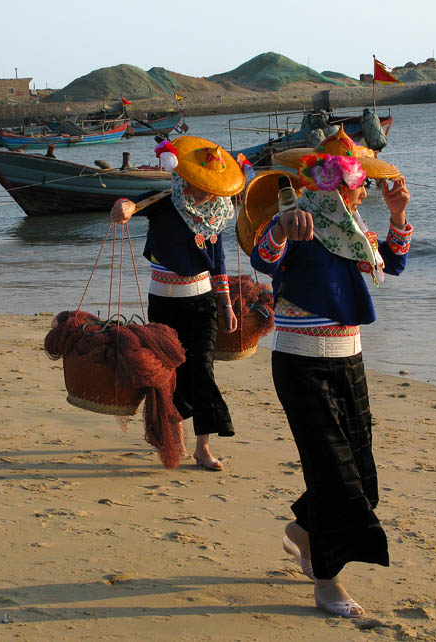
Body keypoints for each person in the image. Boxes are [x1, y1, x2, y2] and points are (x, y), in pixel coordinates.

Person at [249, 127, 412, 617]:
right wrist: (279, 228)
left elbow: (393, 266)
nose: (367, 191)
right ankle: (327, 581)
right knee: (333, 475)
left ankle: (301, 531)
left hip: (350, 359)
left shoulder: (355, 228)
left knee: (361, 474)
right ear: (342, 183)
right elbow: (264, 258)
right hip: (300, 363)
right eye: (362, 182)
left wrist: (400, 215)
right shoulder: (301, 217)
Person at [110, 136, 249, 471]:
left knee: (202, 369)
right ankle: (176, 437)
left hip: (202, 304)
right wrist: (125, 207)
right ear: (185, 179)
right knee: (167, 374)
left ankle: (204, 447)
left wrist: (226, 304)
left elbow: (218, 260)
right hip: (163, 303)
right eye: (199, 185)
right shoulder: (165, 200)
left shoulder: (216, 212)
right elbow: (133, 203)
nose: (204, 193)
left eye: (210, 187)